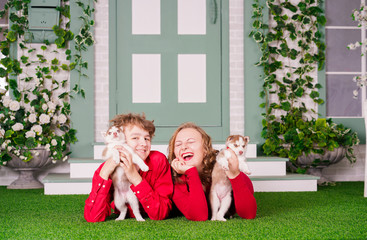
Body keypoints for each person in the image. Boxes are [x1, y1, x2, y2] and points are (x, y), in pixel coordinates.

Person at [84, 113, 173, 222]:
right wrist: (104, 174)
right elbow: (93, 217)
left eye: (147, 138)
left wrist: (136, 179)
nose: (144, 143)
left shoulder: (158, 160)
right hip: (123, 209)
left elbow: (160, 213)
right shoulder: (107, 168)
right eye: (135, 137)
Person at [168, 122, 257, 221]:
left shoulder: (224, 166)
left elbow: (249, 213)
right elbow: (199, 216)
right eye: (178, 144)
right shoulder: (175, 181)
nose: (183, 147)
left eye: (191, 142)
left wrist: (234, 175)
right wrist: (191, 172)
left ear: (205, 149)